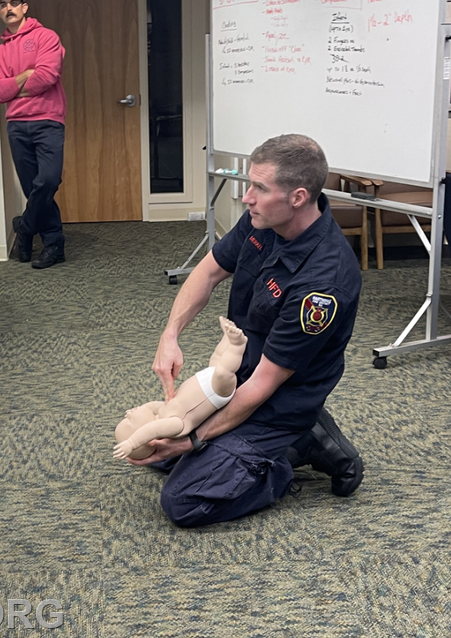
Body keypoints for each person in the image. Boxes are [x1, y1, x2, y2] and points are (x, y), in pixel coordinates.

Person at [136, 134, 364, 528]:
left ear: (297, 197)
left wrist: (195, 439)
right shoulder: (263, 220)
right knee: (156, 450)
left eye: (259, 188)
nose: (247, 198)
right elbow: (207, 272)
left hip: (277, 399)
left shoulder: (323, 286)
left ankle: (291, 451)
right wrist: (169, 336)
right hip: (237, 375)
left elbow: (262, 386)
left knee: (183, 501)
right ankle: (277, 443)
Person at [0, 0, 67, 270]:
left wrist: (13, 87)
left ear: (25, 7)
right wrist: (23, 77)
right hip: (17, 126)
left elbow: (47, 76)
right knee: (34, 187)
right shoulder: (0, 52)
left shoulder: (46, 37)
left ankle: (24, 226)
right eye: (3, 5)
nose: (8, 8)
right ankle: (54, 244)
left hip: (48, 120)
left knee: (48, 181)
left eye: (14, 3)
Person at [114, 317, 247, 461]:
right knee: (223, 371)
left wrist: (137, 414)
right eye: (129, 421)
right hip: (216, 391)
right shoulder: (174, 427)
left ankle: (228, 335)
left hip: (206, 378)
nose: (127, 415)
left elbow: (150, 406)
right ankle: (237, 345)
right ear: (148, 438)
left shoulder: (162, 411)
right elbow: (154, 429)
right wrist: (132, 443)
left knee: (218, 356)